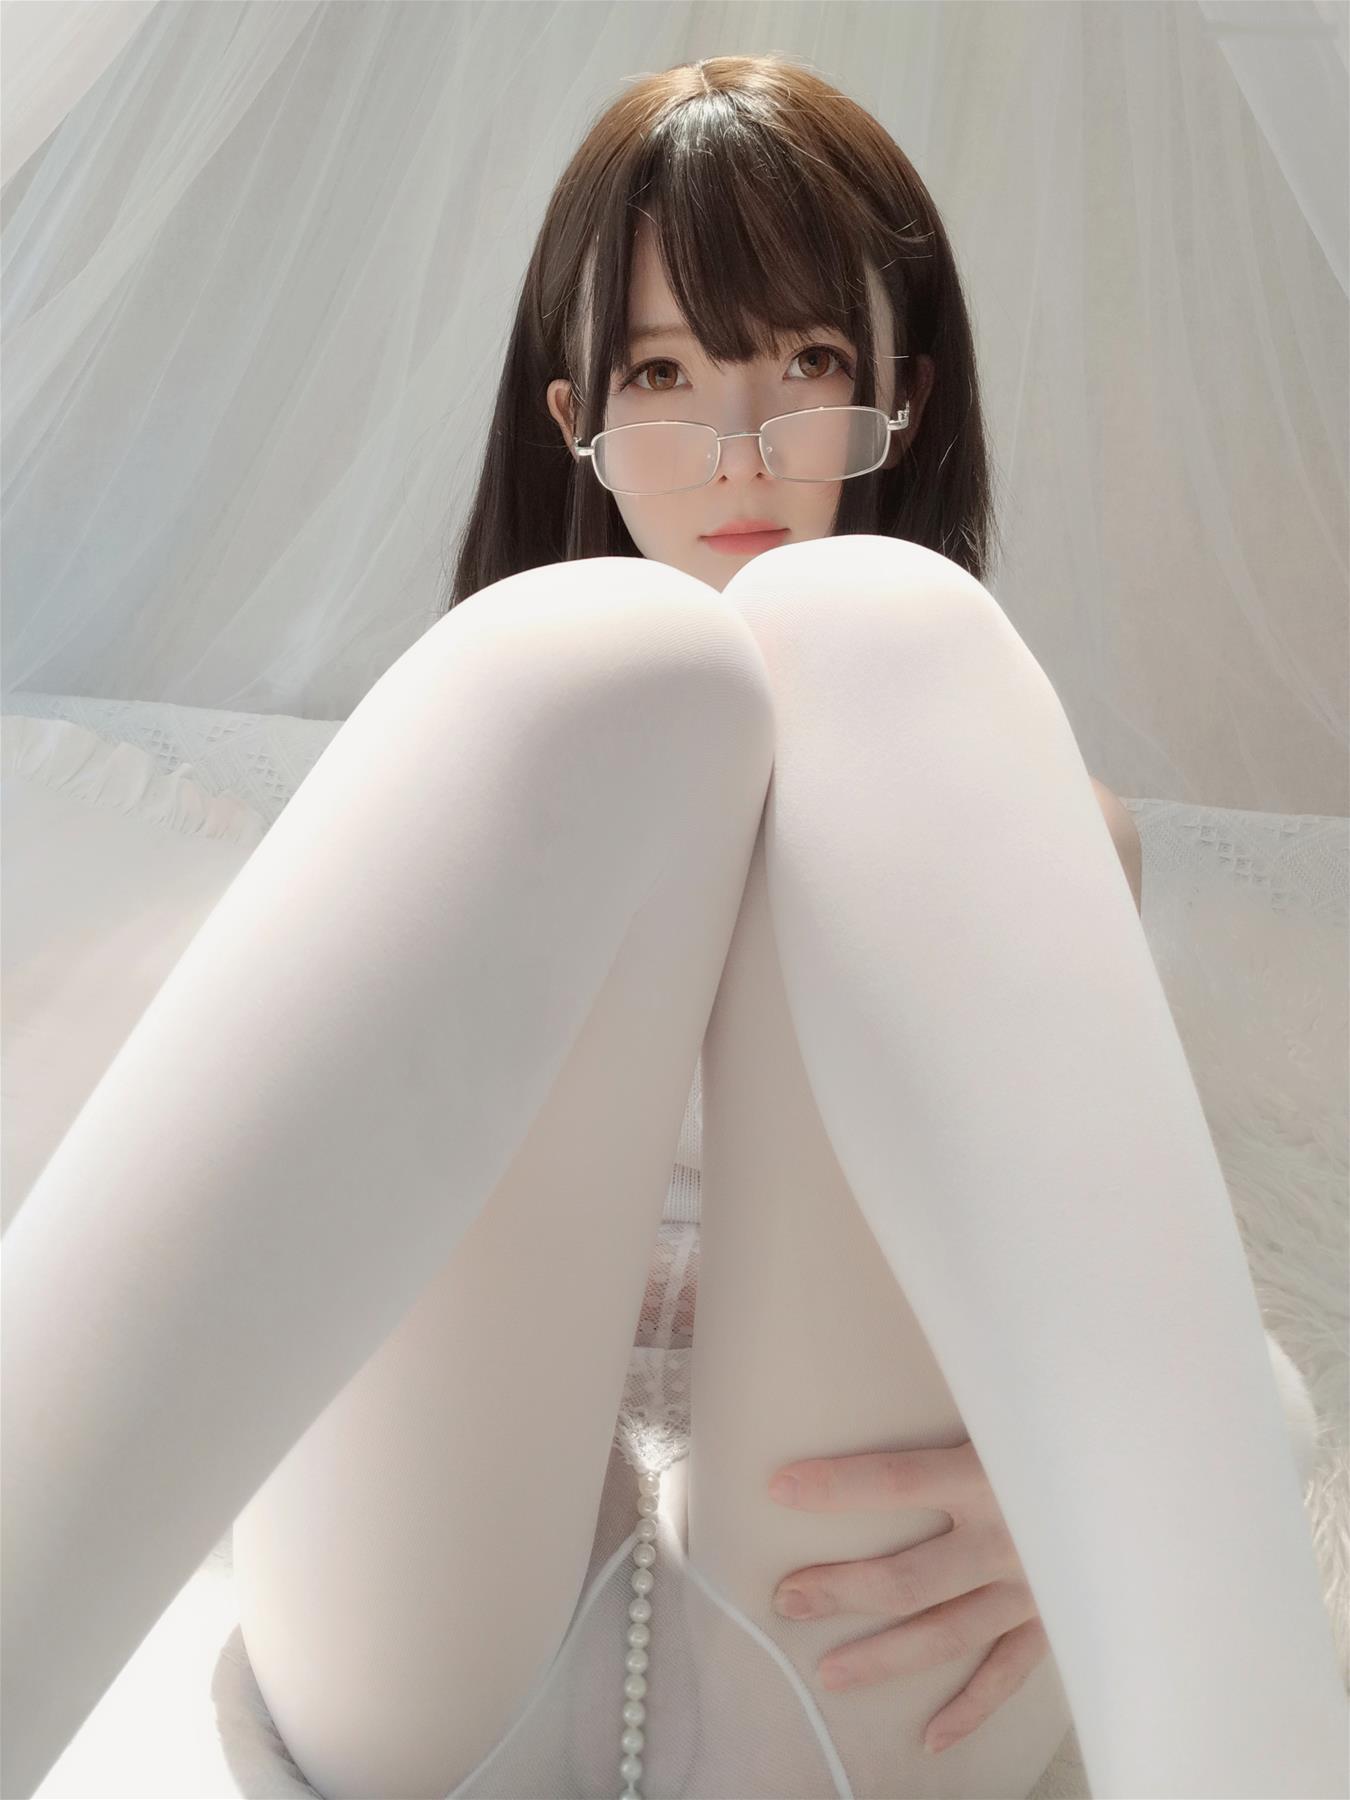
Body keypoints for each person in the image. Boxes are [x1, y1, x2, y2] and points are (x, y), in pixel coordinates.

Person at [3, 53, 1342, 1800]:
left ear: (904, 399)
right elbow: (194, 1233)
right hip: (428, 1614)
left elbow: (1144, 1269)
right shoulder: (460, 801)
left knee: (871, 631)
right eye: (662, 372)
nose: (737, 447)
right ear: (573, 415)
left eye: (806, 362)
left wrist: (1173, 1460)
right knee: (609, 668)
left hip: (839, 1652)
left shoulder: (1018, 826)